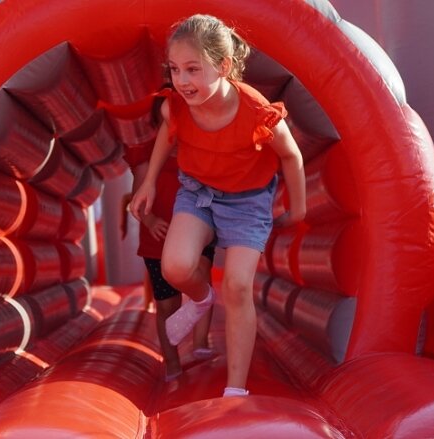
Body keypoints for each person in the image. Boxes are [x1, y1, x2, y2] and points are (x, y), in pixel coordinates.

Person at [130, 14, 306, 398]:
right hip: (197, 193)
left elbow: (291, 157)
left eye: (193, 69)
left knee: (239, 286)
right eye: (175, 70)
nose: (182, 80)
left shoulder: (255, 111)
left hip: (247, 201)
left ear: (223, 66)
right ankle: (199, 298)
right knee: (175, 267)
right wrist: (146, 183)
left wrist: (299, 208)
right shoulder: (176, 105)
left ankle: (236, 389)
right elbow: (167, 133)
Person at [121, 91, 216, 382]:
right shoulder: (147, 155)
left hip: (197, 231)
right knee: (167, 304)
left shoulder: (200, 150)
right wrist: (149, 220)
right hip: (158, 239)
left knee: (200, 277)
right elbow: (136, 200)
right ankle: (172, 361)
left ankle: (200, 344)